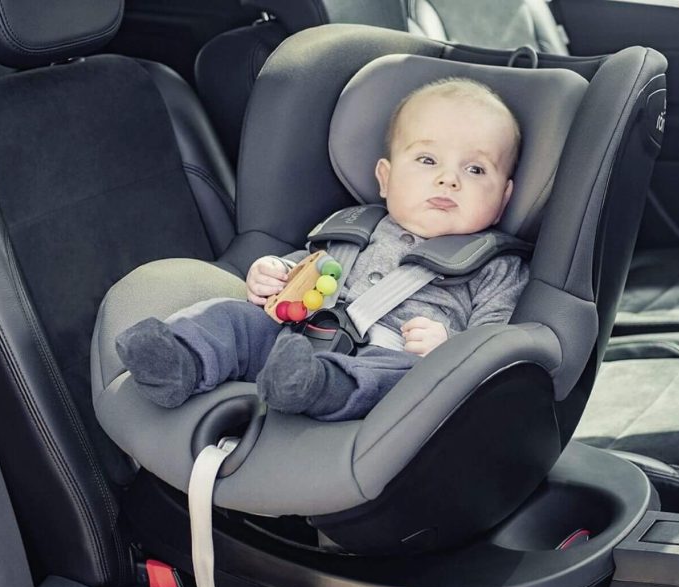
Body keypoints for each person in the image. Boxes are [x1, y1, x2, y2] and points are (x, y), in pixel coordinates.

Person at [116, 77, 530, 421]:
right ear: (385, 178)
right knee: (232, 317)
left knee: (393, 380)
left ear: (504, 198)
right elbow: (311, 267)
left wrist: (450, 347)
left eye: (475, 169)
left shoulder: (497, 266)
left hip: (393, 360)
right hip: (298, 334)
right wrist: (275, 272)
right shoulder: (352, 225)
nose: (448, 180)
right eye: (427, 160)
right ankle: (177, 358)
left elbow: (493, 344)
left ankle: (314, 386)